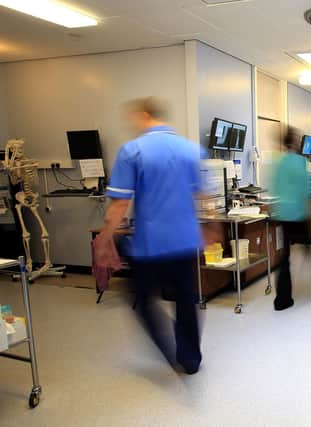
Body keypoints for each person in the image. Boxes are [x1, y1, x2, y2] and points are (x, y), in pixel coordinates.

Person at [95, 97, 209, 374]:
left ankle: (170, 349)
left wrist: (105, 238)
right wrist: (212, 230)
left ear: (145, 115)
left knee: (144, 301)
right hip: (185, 241)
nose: (131, 123)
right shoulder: (191, 150)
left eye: (133, 117)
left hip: (151, 244)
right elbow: (203, 196)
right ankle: (190, 358)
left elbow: (120, 204)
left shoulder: (133, 150)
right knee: (185, 299)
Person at [271, 127, 311, 311]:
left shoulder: (279, 162)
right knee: (309, 247)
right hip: (298, 213)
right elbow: (306, 187)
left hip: (282, 213)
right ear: (296, 142)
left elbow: (275, 188)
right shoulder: (300, 162)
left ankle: (282, 299)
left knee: (284, 257)